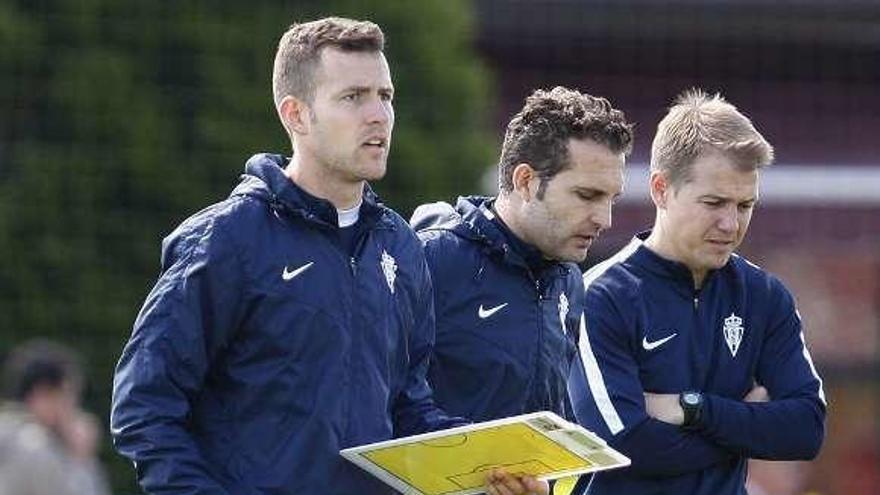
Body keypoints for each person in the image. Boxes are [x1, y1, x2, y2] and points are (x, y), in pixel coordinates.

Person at [110, 17, 466, 495]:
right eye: (353, 97)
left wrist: (483, 470)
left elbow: (407, 405)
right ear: (295, 115)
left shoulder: (400, 247)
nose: (379, 115)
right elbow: (144, 408)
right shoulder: (227, 239)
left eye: (385, 96)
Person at [570, 89, 826, 495]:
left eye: (745, 206)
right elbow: (621, 443)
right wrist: (746, 425)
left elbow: (805, 429)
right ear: (660, 189)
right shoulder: (601, 295)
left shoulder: (765, 297)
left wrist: (692, 408)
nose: (731, 224)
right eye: (714, 202)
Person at [411, 86, 634, 495]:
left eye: (612, 199)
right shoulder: (432, 259)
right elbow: (382, 406)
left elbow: (550, 426)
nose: (604, 218)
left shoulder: (569, 281)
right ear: (526, 181)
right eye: (587, 195)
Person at [0, 339, 111, 495]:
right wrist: (80, 460)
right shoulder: (34, 446)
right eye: (68, 395)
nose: (72, 407)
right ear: (43, 394)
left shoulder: (13, 435)